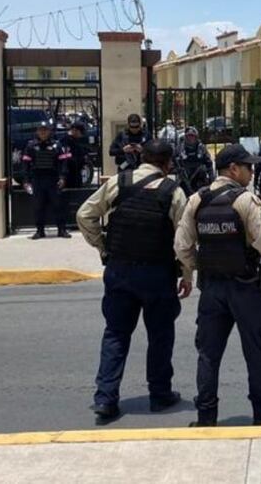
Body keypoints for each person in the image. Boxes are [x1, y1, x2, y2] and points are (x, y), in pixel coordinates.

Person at [76, 140, 190, 425]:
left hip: (120, 270)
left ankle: (105, 399)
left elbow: (84, 215)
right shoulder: (173, 192)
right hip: (158, 274)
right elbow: (184, 239)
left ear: (142, 158)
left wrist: (103, 246)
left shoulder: (118, 182)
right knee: (160, 336)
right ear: (168, 163)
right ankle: (160, 394)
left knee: (115, 334)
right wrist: (188, 275)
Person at [174, 144, 261, 427]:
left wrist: (199, 266)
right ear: (234, 169)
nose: (252, 170)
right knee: (256, 352)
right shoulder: (247, 201)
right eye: (248, 166)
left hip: (212, 289)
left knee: (208, 354)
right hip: (246, 287)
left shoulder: (197, 200)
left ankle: (206, 417)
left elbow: (182, 246)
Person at [22, 122, 71, 240]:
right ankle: (40, 231)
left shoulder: (57, 145)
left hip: (53, 179)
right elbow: (26, 164)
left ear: (49, 131)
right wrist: (26, 181)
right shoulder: (31, 146)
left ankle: (62, 230)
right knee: (38, 206)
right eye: (41, 130)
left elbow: (63, 163)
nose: (43, 132)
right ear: (37, 131)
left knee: (58, 205)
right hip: (37, 179)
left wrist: (62, 177)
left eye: (45, 130)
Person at [175, 126, 214, 196]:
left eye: (192, 136)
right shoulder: (179, 148)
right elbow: (173, 163)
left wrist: (212, 180)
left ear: (196, 137)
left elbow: (209, 164)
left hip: (199, 178)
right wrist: (178, 171)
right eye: (188, 136)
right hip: (185, 178)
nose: (190, 138)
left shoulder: (201, 148)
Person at [63, 120, 90, 189]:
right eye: (80, 132)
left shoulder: (78, 140)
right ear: (75, 130)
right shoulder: (67, 140)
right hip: (68, 173)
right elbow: (65, 156)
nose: (81, 135)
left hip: (77, 172)